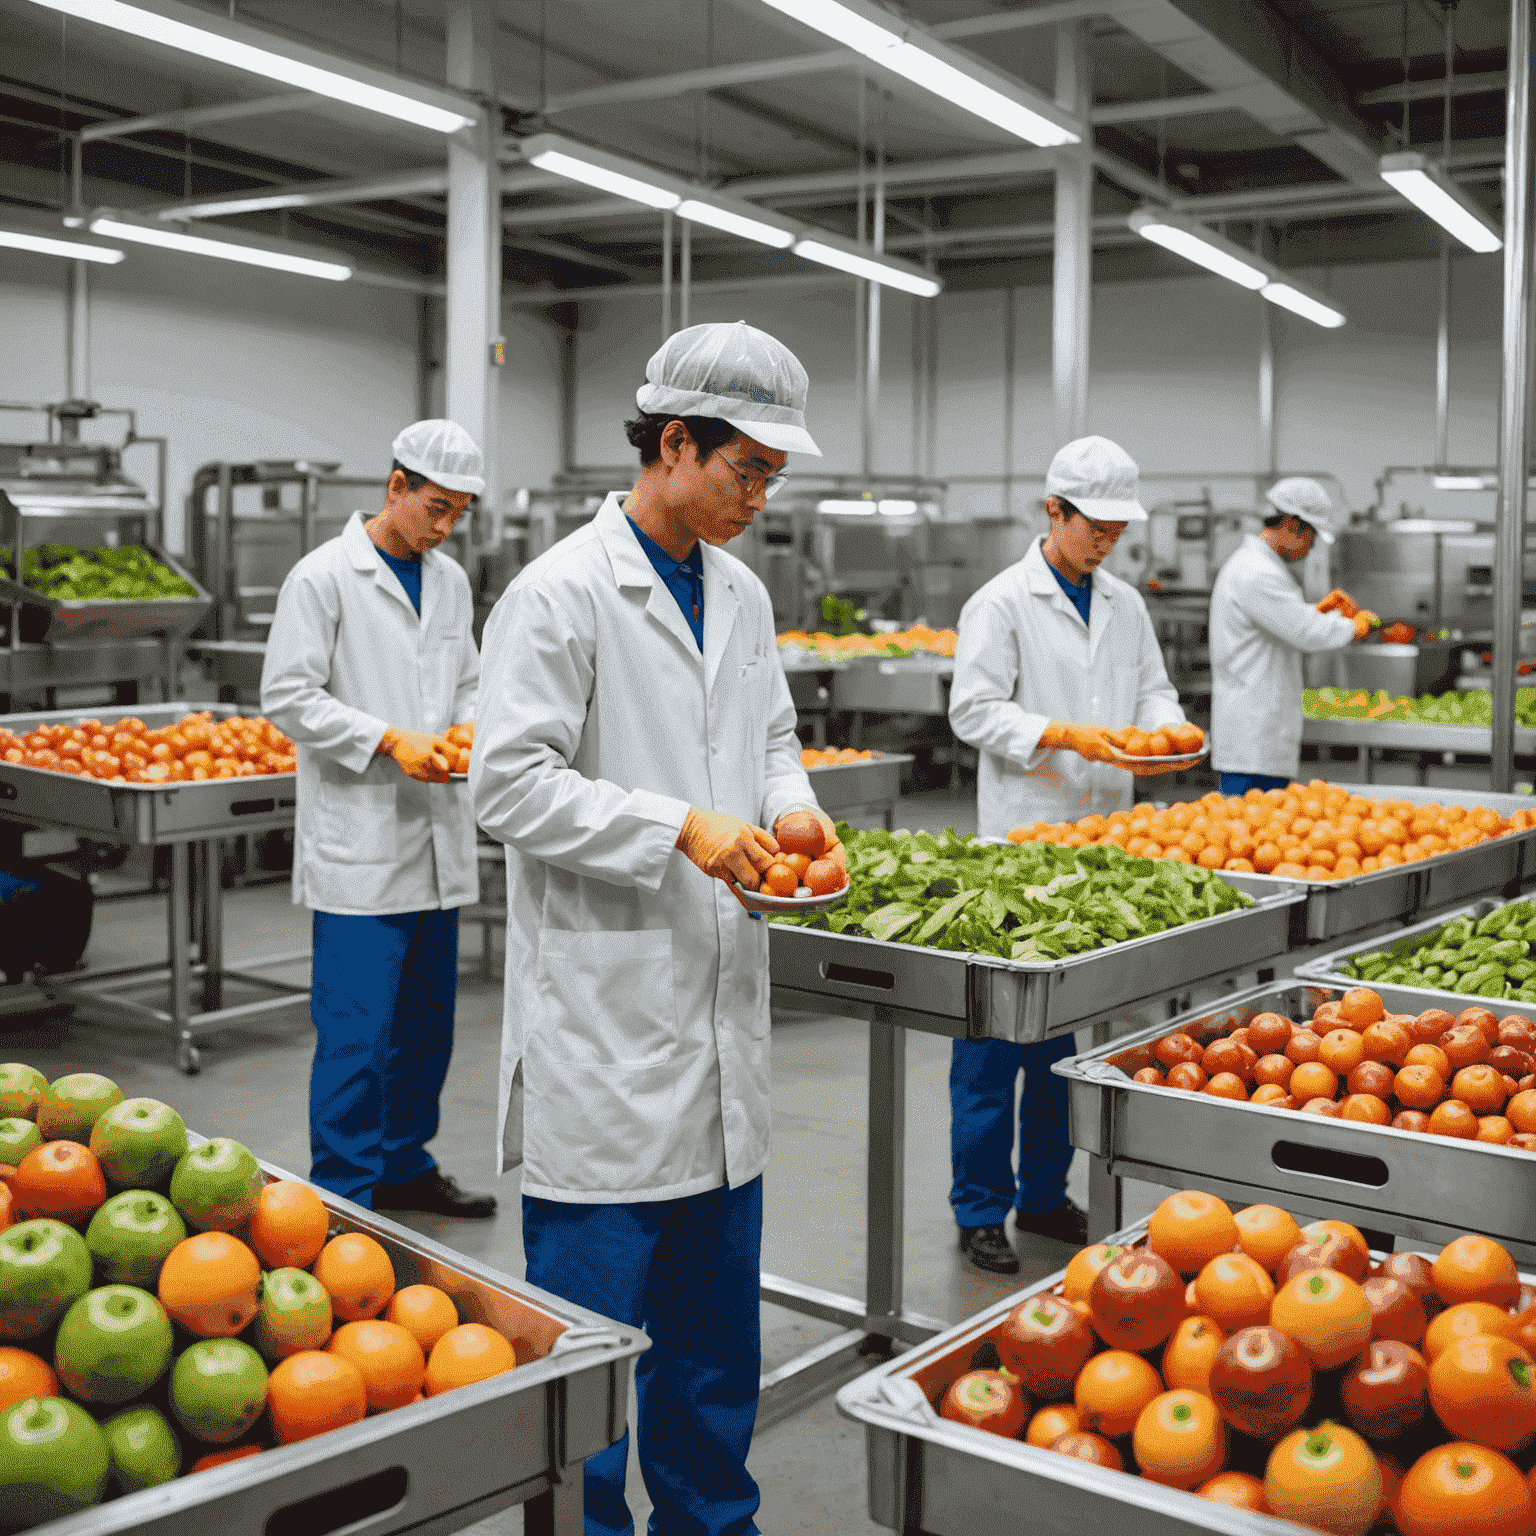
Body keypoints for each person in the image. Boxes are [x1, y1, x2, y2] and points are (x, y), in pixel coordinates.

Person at [472, 320, 832, 1536]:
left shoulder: (741, 590)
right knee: (590, 1358)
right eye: (749, 469)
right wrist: (677, 824)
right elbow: (506, 783)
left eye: (773, 476)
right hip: (607, 1036)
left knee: (714, 1345)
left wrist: (796, 814)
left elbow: (772, 740)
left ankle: (709, 1524)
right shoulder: (561, 594)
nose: (760, 497)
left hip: (721, 1015)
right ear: (674, 443)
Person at [946, 435, 1186, 1274]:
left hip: (1098, 846)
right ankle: (980, 1206)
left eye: (1119, 529)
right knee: (990, 1042)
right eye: (1096, 526)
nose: (1108, 541)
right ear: (1054, 511)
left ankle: (1043, 1195)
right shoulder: (1002, 601)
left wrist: (1165, 727)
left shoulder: (1123, 603)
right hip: (1019, 843)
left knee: (1062, 1040)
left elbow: (1152, 685)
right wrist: (1060, 733)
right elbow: (973, 712)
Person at [261, 419, 496, 1219]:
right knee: (357, 1036)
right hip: (360, 847)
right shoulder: (323, 578)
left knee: (425, 1034)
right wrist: (389, 739)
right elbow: (289, 698)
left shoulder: (451, 580)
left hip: (436, 840)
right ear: (396, 487)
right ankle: (346, 1196)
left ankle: (404, 1165)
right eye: (435, 506)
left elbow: (467, 681)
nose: (445, 525)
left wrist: (468, 731)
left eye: (458, 511)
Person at [1209, 477, 1375, 796]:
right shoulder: (1256, 571)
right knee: (1249, 836)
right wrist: (1353, 626)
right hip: (1252, 743)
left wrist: (1319, 611)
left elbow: (1287, 624)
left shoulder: (1260, 568)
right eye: (1310, 538)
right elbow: (1305, 633)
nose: (1310, 548)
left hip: (1259, 739)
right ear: (1290, 524)